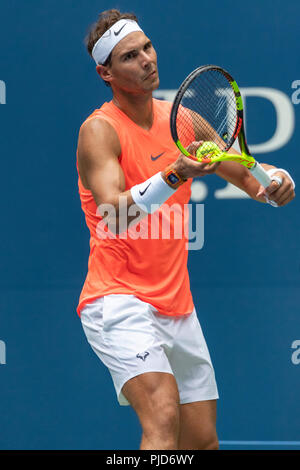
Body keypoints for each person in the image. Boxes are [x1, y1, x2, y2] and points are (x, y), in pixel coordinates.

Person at [76, 9, 295, 450]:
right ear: (106, 72)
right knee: (160, 413)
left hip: (177, 305)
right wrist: (173, 175)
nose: (147, 60)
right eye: (130, 56)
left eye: (147, 48)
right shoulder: (99, 131)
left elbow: (247, 178)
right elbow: (114, 214)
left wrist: (274, 183)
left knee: (201, 442)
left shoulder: (183, 120)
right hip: (117, 299)